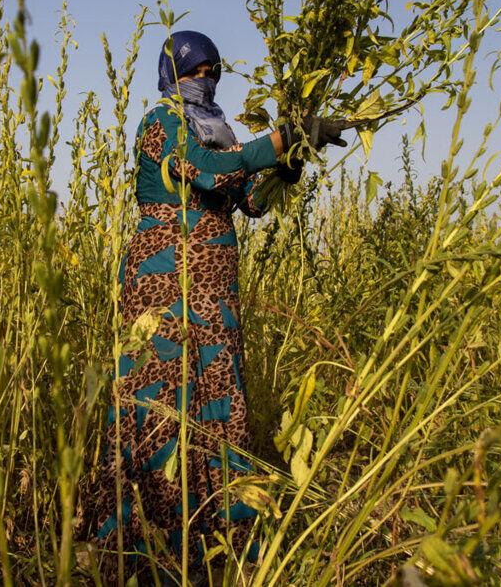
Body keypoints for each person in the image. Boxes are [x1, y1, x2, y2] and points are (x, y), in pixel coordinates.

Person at [79, 30, 348, 584]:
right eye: (196, 71)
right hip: (165, 287)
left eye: (213, 71)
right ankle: (142, 533)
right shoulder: (163, 121)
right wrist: (279, 138)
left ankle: (217, 535)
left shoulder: (219, 129)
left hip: (214, 291)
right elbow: (205, 169)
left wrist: (286, 166)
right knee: (162, 394)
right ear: (173, 73)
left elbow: (248, 200)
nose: (206, 80)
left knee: (217, 394)